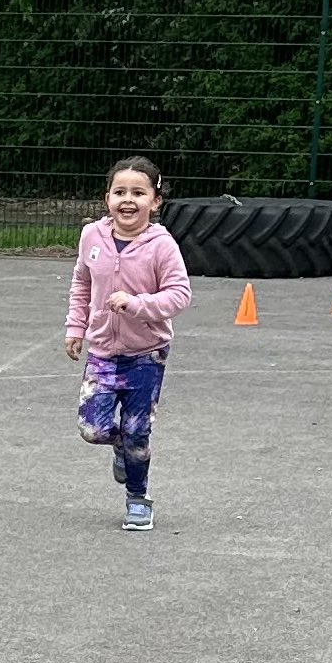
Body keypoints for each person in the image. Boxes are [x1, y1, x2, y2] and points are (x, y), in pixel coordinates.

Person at [64, 156, 192, 531]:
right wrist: (76, 327)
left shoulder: (161, 245)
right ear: (107, 198)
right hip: (102, 350)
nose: (128, 200)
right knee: (92, 429)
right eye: (120, 192)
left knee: (138, 431)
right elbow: (82, 284)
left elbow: (180, 294)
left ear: (155, 201)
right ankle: (120, 450)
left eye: (139, 192)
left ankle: (138, 497)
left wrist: (138, 305)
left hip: (146, 355)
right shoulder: (92, 236)